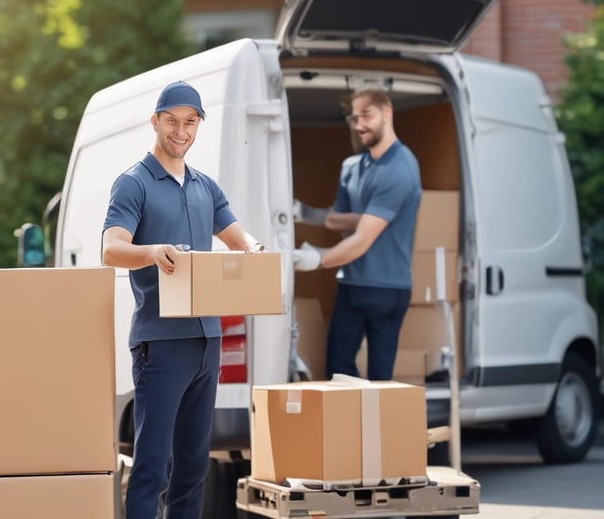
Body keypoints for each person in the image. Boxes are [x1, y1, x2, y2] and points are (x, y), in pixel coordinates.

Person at [101, 81, 263, 519]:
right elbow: (111, 249)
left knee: (194, 467)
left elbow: (237, 236)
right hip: (161, 344)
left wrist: (254, 250)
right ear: (155, 121)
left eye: (190, 122)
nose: (181, 130)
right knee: (154, 465)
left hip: (206, 341)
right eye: (172, 120)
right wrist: (153, 252)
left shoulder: (205, 187)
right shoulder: (133, 184)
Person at [293, 87, 422, 381]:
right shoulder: (352, 167)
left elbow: (363, 238)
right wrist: (305, 212)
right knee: (338, 370)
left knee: (380, 379)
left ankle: (378, 427)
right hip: (351, 283)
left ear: (387, 113)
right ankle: (349, 427)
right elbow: (349, 220)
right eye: (353, 118)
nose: (359, 125)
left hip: (386, 289)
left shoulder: (399, 169)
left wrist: (319, 259)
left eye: (367, 115)